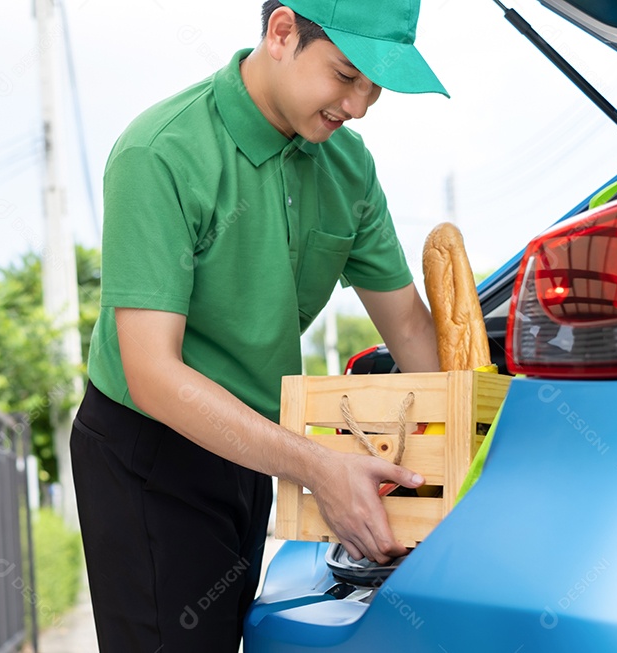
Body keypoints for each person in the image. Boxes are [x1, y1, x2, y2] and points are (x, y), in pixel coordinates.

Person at [70, 0, 445, 650]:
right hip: (150, 449)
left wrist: (469, 451)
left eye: (374, 89)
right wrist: (318, 467)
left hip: (250, 445)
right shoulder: (161, 152)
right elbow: (153, 374)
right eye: (346, 75)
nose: (357, 105)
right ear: (281, 32)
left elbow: (409, 323)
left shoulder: (347, 166)